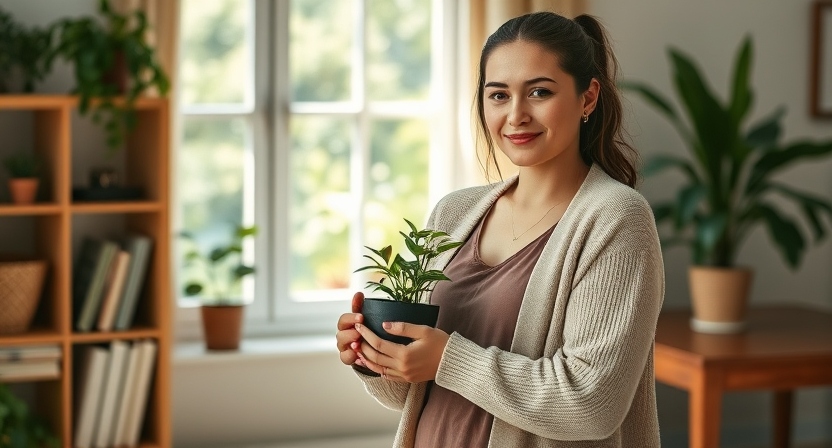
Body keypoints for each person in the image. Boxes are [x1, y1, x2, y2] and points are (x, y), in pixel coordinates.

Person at [336, 11, 664, 448]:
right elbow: (414, 393)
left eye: (540, 92)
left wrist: (446, 358)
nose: (516, 116)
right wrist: (377, 355)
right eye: (498, 95)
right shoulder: (454, 213)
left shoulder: (616, 219)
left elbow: (590, 404)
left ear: (588, 98)